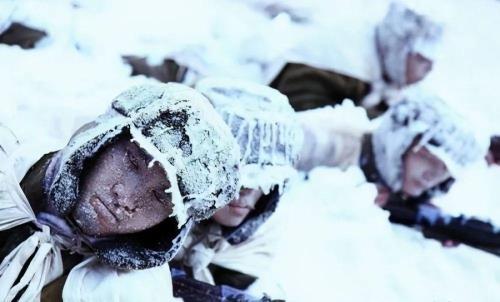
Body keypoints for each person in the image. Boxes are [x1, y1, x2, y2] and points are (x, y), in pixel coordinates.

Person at [0, 82, 241, 301]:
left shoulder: (131, 294)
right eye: (131, 162)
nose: (126, 199)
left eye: (160, 196)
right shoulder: (7, 169)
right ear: (102, 139)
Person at [171, 78, 303, 301]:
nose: (248, 191)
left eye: (264, 180)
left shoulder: (262, 233)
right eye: (238, 177)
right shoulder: (152, 204)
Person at [297, 89, 486, 206]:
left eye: (446, 170)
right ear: (402, 140)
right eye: (428, 157)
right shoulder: (324, 139)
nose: (431, 176)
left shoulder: (406, 200)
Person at [269, 2, 443, 118]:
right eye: (422, 60)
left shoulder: (386, 75)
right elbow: (298, 121)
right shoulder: (342, 63)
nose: (428, 70)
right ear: (398, 48)